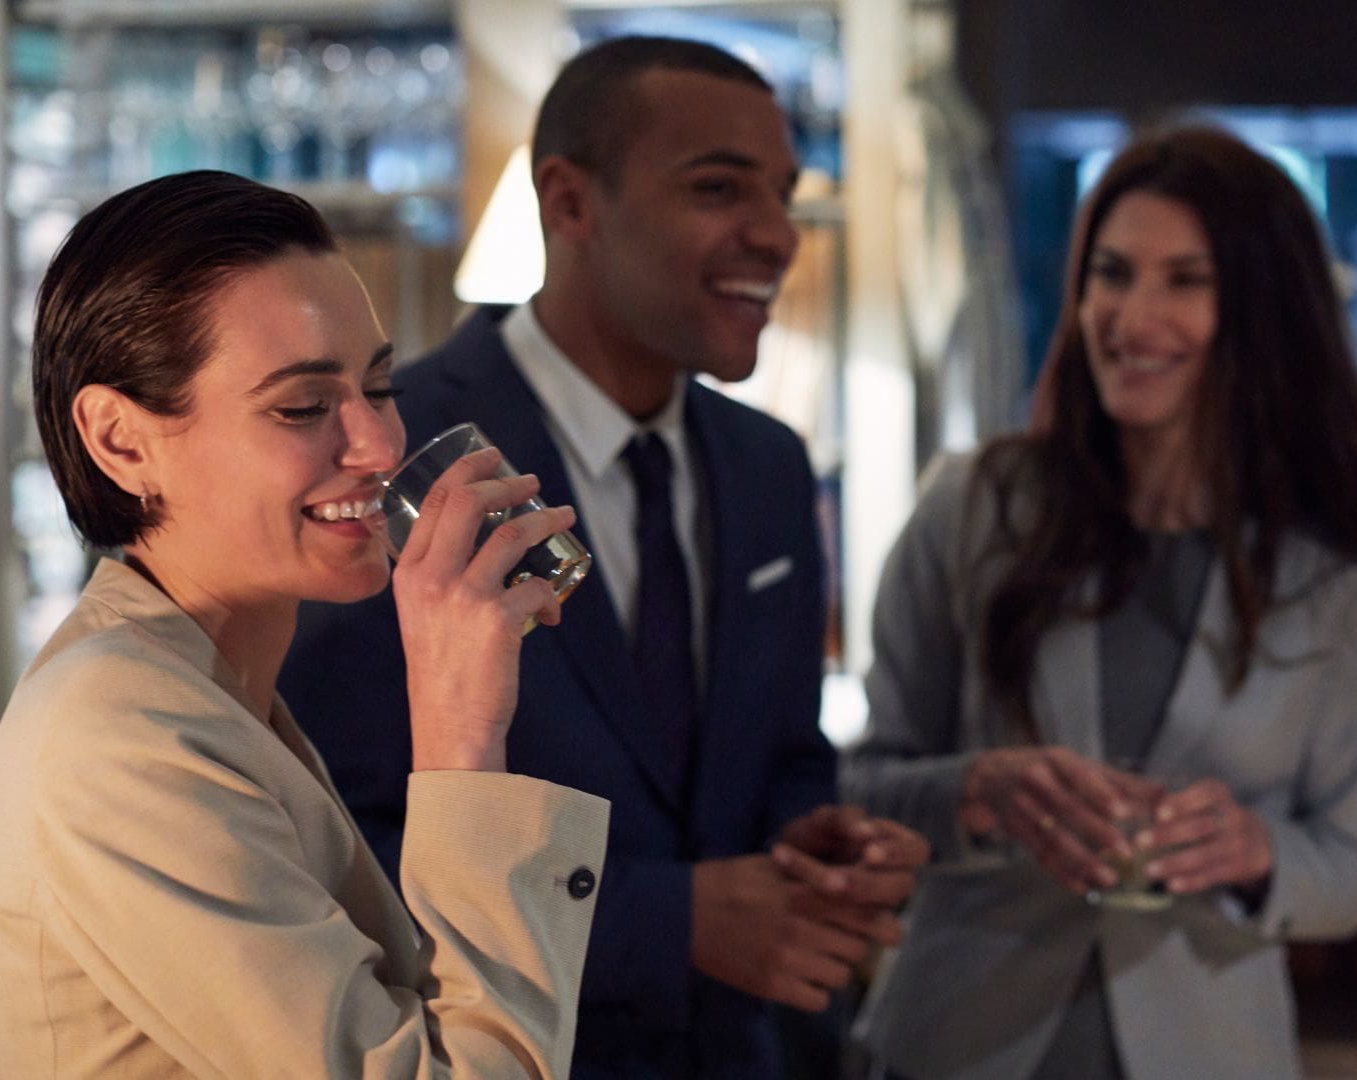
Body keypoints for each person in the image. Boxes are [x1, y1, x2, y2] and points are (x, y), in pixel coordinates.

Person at [279, 35, 926, 1079]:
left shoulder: (769, 465)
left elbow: (784, 755)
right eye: (719, 188)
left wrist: (818, 851)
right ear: (570, 202)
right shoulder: (395, 460)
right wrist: (669, 923)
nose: (776, 234)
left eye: (784, 193)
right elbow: (329, 842)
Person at [0, 170, 611, 1077]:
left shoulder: (211, 688)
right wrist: (461, 738)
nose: (381, 446)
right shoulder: (116, 739)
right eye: (302, 407)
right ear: (120, 440)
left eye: (380, 386)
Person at [842, 126, 1357, 1080]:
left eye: (1186, 281)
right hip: (953, 1044)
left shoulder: (1338, 582)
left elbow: (1347, 873)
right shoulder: (974, 507)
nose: (1132, 316)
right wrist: (978, 793)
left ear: (1264, 312)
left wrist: (1255, 851)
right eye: (1112, 274)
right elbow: (856, 787)